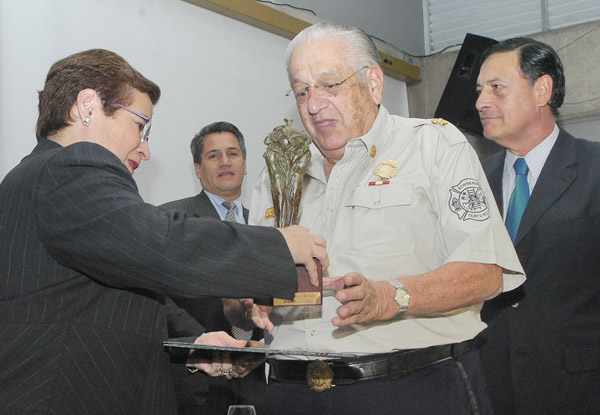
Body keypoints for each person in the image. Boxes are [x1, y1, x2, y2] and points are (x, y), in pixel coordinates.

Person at [0, 49, 328, 415]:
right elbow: (167, 245)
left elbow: (89, 314)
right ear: (87, 105)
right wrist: (281, 245)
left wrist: (191, 348)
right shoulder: (68, 168)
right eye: (140, 126)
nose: (146, 149)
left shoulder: (39, 177)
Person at [249, 22, 525, 415]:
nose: (313, 104)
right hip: (290, 394)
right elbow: (247, 288)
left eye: (330, 85)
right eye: (301, 90)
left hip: (410, 389)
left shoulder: (434, 145)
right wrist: (244, 301)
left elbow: (486, 271)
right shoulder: (276, 173)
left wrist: (390, 297)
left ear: (374, 82)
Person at [474, 37, 600, 414]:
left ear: (541, 90)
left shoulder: (594, 168)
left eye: (496, 88)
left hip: (580, 385)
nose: (481, 102)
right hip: (493, 381)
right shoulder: (474, 180)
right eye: (479, 90)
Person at [161, 121, 269, 414]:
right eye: (213, 155)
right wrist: (205, 343)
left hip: (257, 380)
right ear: (197, 169)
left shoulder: (264, 226)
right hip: (195, 380)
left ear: (245, 164)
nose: (224, 161)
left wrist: (265, 346)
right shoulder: (171, 219)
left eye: (233, 154)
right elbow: (157, 294)